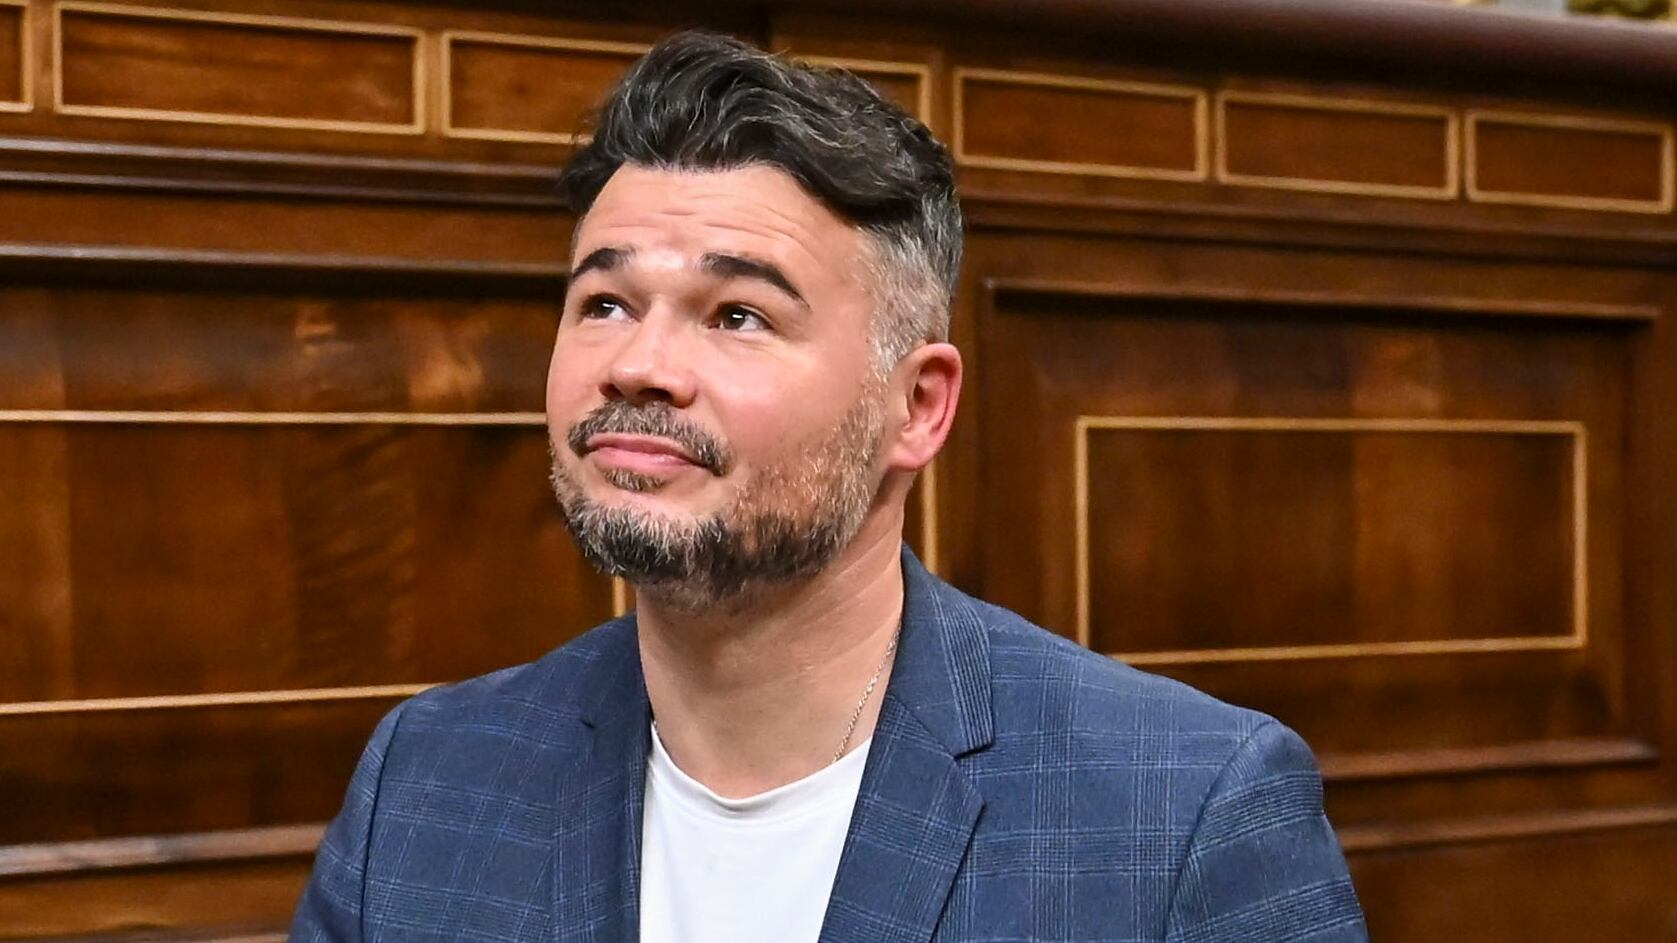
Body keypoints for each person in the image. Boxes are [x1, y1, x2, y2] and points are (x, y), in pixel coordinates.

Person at [292, 30, 1367, 943]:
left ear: (918, 407)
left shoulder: (1184, 815)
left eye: (737, 316)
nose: (637, 365)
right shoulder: (426, 786)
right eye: (607, 303)